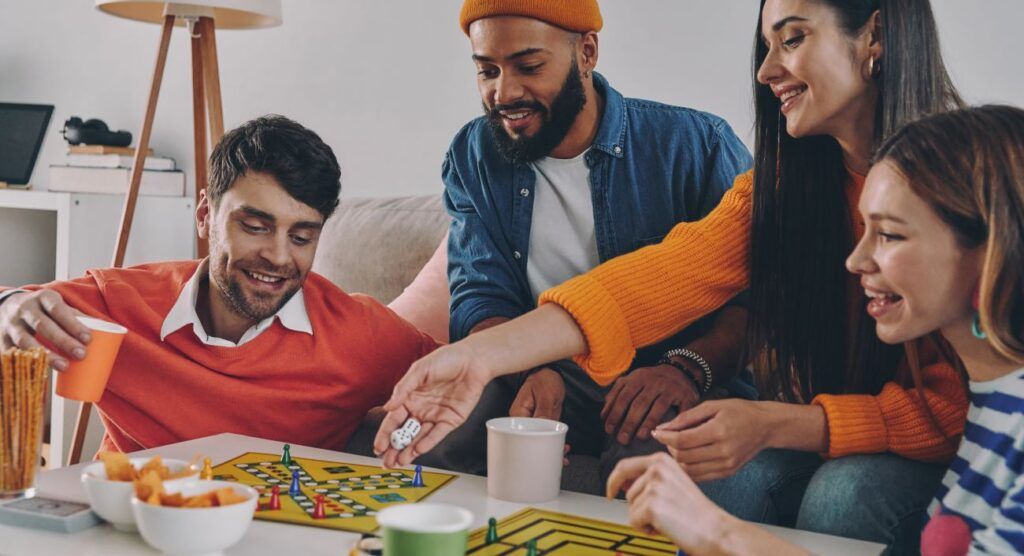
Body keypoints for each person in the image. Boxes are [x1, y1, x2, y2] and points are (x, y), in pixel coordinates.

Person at [375, 0, 968, 550]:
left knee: (844, 494)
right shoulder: (782, 185)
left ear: (875, 37)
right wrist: (477, 358)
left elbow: (958, 410)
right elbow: (654, 279)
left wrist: (768, 418)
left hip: (928, 447)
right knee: (688, 476)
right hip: (812, 426)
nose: (766, 71)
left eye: (791, 40)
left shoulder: (967, 179)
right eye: (767, 46)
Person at [608, 104, 1024, 556]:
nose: (856, 261)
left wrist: (719, 534)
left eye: (890, 235)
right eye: (865, 228)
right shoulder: (993, 402)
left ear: (992, 251)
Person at [414, 0, 754, 480]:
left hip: (668, 371)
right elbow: (481, 292)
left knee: (649, 455)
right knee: (443, 428)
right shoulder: (473, 155)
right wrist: (530, 370)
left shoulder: (696, 144)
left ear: (587, 53)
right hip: (545, 367)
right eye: (487, 71)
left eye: (529, 66)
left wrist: (686, 369)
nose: (503, 92)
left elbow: (756, 302)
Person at [0, 115, 438, 454]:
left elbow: (459, 387)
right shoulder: (121, 301)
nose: (278, 257)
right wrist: (10, 305)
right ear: (205, 214)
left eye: (302, 237)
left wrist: (404, 434)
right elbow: (18, 307)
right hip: (125, 521)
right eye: (255, 227)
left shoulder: (359, 333)